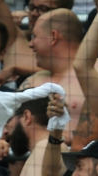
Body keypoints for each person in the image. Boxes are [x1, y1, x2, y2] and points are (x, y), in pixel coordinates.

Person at [21, 9, 85, 144]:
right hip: (34, 163)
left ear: (53, 37)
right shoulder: (31, 82)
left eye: (34, 37)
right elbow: (10, 129)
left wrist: (56, 137)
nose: (30, 44)